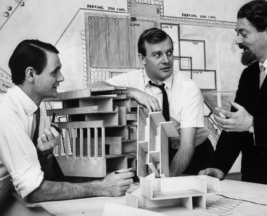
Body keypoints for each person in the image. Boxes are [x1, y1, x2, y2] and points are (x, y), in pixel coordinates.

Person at [0, 40, 134, 205]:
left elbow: (45, 180)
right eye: (55, 72)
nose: (61, 78)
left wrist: (44, 155)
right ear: (31, 75)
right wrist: (101, 187)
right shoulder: (6, 113)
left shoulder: (38, 110)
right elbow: (34, 192)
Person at [200, 0, 267, 188]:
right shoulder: (249, 74)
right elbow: (236, 127)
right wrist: (217, 167)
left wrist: (253, 124)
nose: (238, 40)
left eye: (243, 33)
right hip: (254, 187)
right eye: (237, 33)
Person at [102, 28, 214, 176]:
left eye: (169, 52)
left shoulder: (188, 88)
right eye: (157, 55)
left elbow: (186, 146)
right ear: (142, 59)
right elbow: (94, 88)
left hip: (191, 156)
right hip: (152, 155)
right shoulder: (132, 79)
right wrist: (131, 92)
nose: (166, 60)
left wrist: (165, 181)